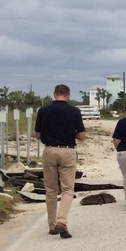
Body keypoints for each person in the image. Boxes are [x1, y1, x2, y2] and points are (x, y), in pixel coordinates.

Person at [34, 83, 87, 239]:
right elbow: (82, 136)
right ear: (68, 96)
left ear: (54, 94)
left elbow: (37, 135)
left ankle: (51, 225)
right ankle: (61, 221)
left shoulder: (43, 110)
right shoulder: (74, 111)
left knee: (50, 190)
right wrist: (72, 134)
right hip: (67, 150)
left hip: (49, 150)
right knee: (67, 189)